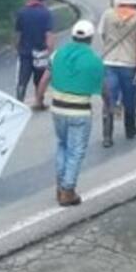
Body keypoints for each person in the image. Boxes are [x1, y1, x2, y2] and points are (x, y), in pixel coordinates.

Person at [48, 20, 105, 207]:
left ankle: (60, 186)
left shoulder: (57, 54)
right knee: (76, 151)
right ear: (90, 39)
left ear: (73, 36)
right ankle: (67, 191)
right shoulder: (94, 60)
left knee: (62, 146)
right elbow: (104, 88)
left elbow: (46, 77)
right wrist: (110, 105)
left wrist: (39, 98)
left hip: (57, 108)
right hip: (79, 111)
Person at [97, 0, 136, 148]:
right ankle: (130, 129)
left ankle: (107, 136)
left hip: (109, 61)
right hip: (129, 64)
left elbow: (102, 34)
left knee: (109, 100)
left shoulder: (108, 14)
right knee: (130, 99)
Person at [14, 0, 55, 108]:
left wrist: (17, 47)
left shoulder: (22, 12)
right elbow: (49, 34)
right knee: (40, 79)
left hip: (25, 51)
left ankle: (19, 102)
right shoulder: (46, 13)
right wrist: (50, 50)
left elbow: (18, 34)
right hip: (41, 52)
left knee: (23, 78)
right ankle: (39, 102)